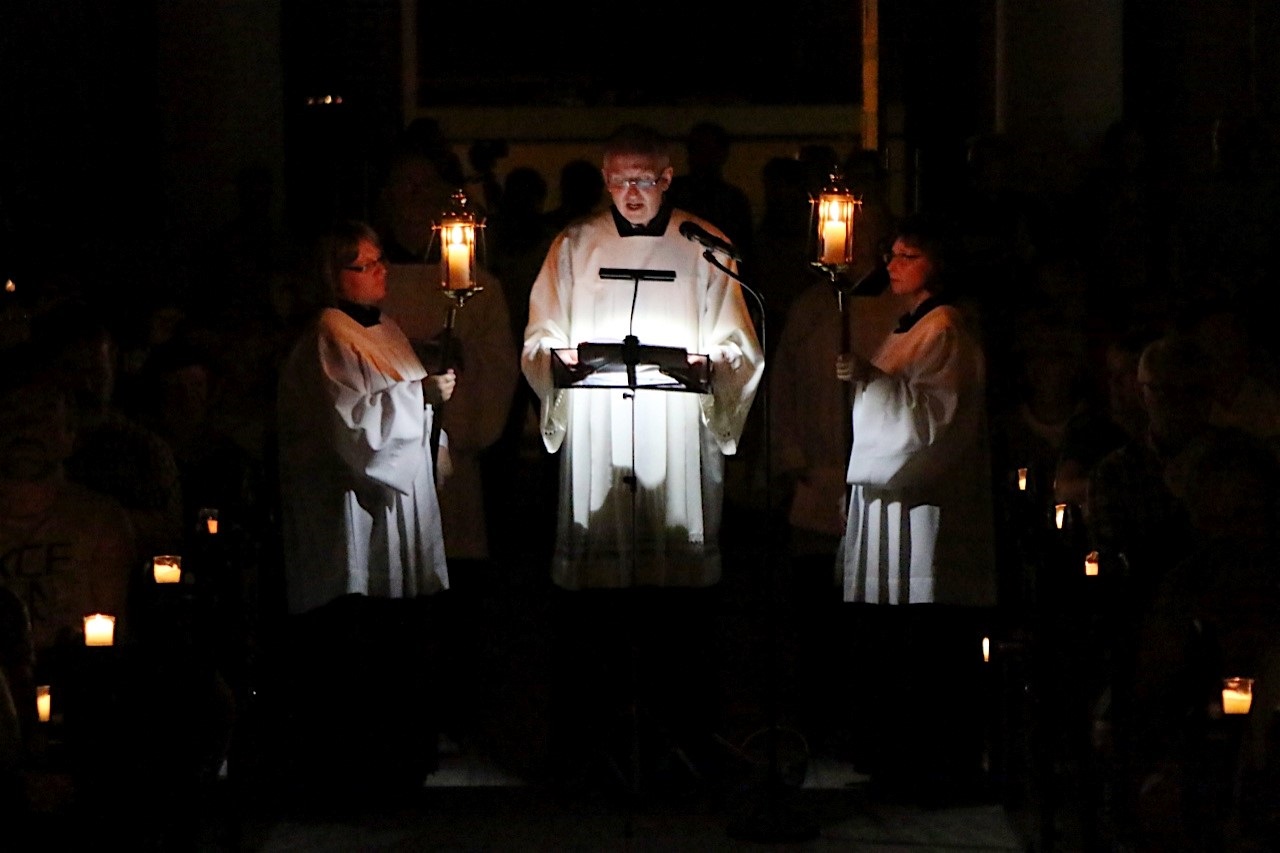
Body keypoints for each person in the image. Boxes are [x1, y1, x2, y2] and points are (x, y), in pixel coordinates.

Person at [522, 124, 764, 785]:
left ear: (668, 179)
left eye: (646, 180)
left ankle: (684, 746)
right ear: (605, 180)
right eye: (622, 180)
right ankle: (590, 751)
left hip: (674, 436)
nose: (633, 193)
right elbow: (540, 336)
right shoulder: (574, 245)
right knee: (598, 612)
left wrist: (709, 368)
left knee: (675, 611)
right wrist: (559, 363)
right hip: (600, 436)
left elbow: (741, 347)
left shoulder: (704, 245)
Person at [271, 219, 455, 796]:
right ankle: (358, 775)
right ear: (333, 275)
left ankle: (403, 762)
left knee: (402, 639)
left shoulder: (387, 329)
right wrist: (420, 396)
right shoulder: (329, 334)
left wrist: (429, 398)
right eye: (364, 264)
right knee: (359, 644)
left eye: (380, 259)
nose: (381, 270)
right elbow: (352, 428)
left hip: (399, 511)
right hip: (355, 515)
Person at [832, 213, 996, 802]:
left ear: (939, 265)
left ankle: (932, 767)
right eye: (892, 254)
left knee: (925, 638)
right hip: (891, 499)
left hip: (922, 504)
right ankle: (893, 758)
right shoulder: (909, 326)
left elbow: (935, 419)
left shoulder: (946, 329)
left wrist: (872, 381)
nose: (893, 265)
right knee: (891, 635)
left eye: (909, 256)